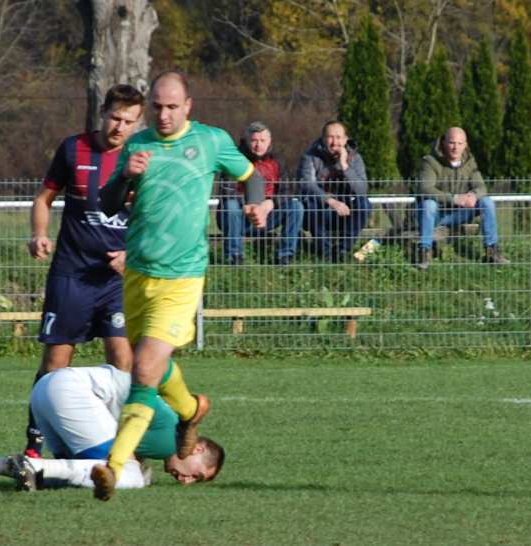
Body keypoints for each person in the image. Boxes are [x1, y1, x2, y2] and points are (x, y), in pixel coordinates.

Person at [95, 70, 271, 501]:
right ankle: (191, 410)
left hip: (181, 278)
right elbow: (108, 204)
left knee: (142, 372)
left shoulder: (210, 141)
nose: (164, 114)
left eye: (173, 107)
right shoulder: (137, 145)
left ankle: (114, 467)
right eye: (157, 107)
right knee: (145, 362)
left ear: (188, 106)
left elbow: (251, 175)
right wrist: (123, 178)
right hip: (137, 274)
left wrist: (255, 205)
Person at [23, 84, 145, 458]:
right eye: (115, 118)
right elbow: (44, 198)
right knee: (56, 364)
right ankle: (34, 446)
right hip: (72, 275)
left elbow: (153, 218)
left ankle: (117, 446)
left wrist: (131, 252)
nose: (120, 128)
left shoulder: (142, 159)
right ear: (102, 113)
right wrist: (39, 233)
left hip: (116, 281)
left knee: (124, 361)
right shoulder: (72, 148)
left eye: (129, 122)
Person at [0, 364, 224, 492]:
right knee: (130, 478)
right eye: (195, 475)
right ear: (197, 448)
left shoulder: (168, 425)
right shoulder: (173, 440)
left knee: (73, 476)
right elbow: (124, 458)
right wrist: (142, 471)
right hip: (71, 393)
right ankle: (33, 466)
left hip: (46, 389)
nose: (186, 482)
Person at [414, 127, 507, 271]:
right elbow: (425, 188)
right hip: (437, 215)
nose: (455, 147)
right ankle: (424, 252)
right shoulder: (430, 162)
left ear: (465, 145)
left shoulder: (470, 162)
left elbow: (481, 187)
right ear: (444, 142)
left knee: (486, 202)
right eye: (451, 143)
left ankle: (492, 250)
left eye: (459, 143)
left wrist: (474, 195)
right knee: (428, 204)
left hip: (461, 213)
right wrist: (455, 198)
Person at [217, 121, 304, 266]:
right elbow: (227, 192)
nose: (258, 145)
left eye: (262, 140)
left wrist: (270, 203)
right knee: (230, 206)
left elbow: (287, 191)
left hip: (268, 216)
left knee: (296, 206)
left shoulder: (278, 161)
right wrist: (248, 206)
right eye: (254, 140)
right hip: (241, 217)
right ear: (246, 141)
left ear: (269, 141)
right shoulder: (235, 159)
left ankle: (285, 257)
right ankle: (234, 257)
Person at [297, 120, 372, 262]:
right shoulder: (310, 156)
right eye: (330, 137)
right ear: (323, 138)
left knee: (364, 203)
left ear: (345, 139)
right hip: (320, 210)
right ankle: (324, 252)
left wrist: (345, 166)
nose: (334, 142)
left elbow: (362, 189)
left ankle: (343, 251)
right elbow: (307, 184)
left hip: (346, 212)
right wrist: (331, 201)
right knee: (311, 202)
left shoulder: (355, 158)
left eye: (338, 137)